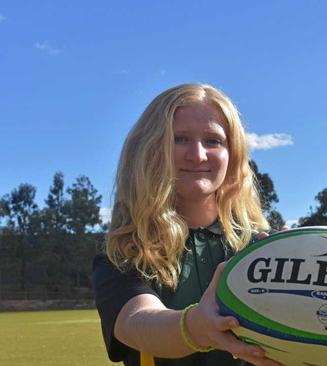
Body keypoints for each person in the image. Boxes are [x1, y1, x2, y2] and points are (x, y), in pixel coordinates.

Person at [93, 83, 281, 366]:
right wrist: (196, 328)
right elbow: (137, 321)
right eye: (179, 139)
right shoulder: (126, 253)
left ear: (233, 155)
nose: (198, 154)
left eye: (213, 141)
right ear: (150, 150)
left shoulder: (262, 248)